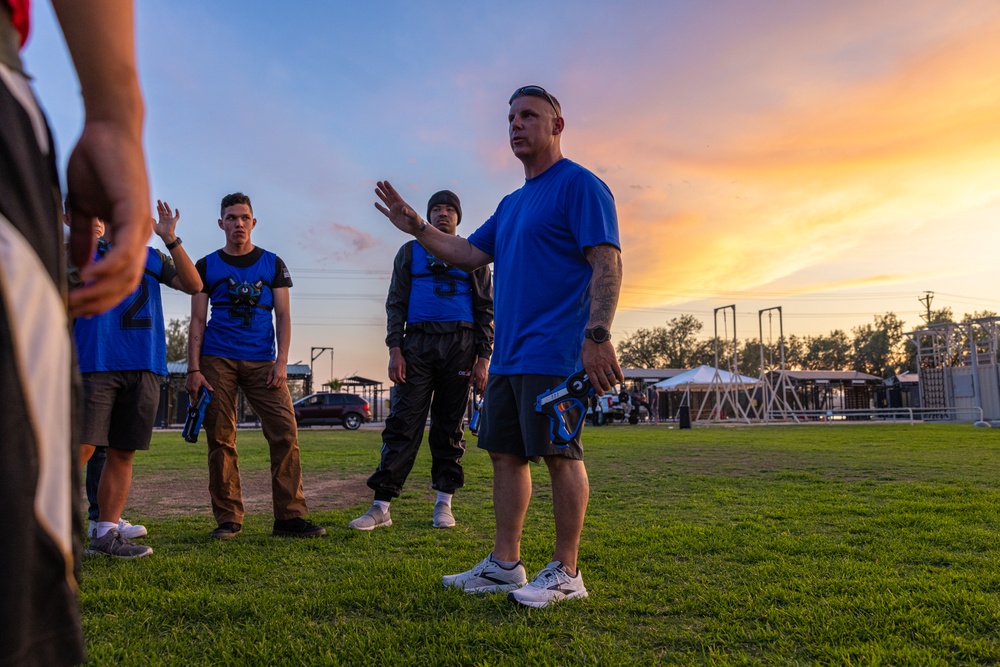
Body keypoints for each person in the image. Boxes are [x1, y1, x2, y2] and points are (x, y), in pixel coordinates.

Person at [375, 85, 622, 608]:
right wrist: (417, 228)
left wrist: (597, 336)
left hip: (555, 353)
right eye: (510, 117)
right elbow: (466, 253)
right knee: (505, 455)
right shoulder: (512, 205)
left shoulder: (580, 186)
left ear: (557, 125)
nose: (516, 124)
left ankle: (567, 573)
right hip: (509, 354)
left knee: (559, 454)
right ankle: (505, 566)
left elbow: (607, 260)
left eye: (529, 115)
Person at [0, 1, 150, 664]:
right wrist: (116, 117)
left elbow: (191, 286)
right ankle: (101, 525)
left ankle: (108, 523)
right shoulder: (77, 238)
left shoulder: (148, 258)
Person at [350, 190, 493, 531]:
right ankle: (381, 506)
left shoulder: (471, 255)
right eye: (436, 209)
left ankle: (444, 503)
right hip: (416, 344)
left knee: (449, 426)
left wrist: (484, 357)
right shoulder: (409, 252)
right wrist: (394, 348)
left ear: (458, 217)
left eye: (449, 209)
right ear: (427, 215)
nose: (443, 214)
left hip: (460, 343)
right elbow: (395, 303)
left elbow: (486, 308)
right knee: (403, 422)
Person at [186, 192, 326, 540]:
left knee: (285, 432)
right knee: (220, 438)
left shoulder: (273, 264)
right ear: (221, 223)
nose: (238, 223)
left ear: (253, 222)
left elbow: (283, 315)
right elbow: (197, 321)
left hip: (264, 361)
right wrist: (193, 369)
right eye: (231, 218)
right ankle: (229, 519)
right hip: (217, 360)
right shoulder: (206, 265)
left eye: (244, 217)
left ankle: (290, 518)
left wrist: (282, 361)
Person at [72, 202, 202, 559]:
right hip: (96, 362)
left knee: (123, 451)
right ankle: (28, 523)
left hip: (145, 363)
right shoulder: (85, 252)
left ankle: (106, 533)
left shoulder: (152, 257)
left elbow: (194, 284)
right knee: (79, 449)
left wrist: (170, 238)